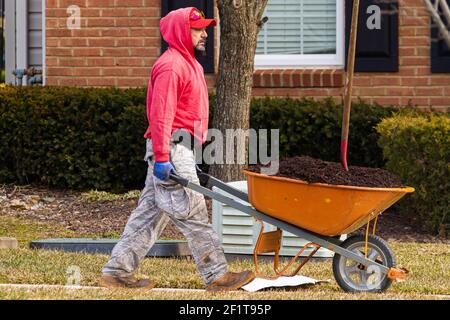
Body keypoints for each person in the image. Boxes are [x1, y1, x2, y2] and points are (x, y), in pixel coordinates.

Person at [99, 7, 255, 292]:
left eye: (204, 28)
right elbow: (161, 115)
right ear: (182, 32)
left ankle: (116, 272)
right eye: (198, 29)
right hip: (170, 147)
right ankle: (217, 275)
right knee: (193, 212)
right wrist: (162, 157)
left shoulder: (189, 63)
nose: (205, 33)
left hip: (179, 148)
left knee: (148, 215)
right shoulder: (172, 66)